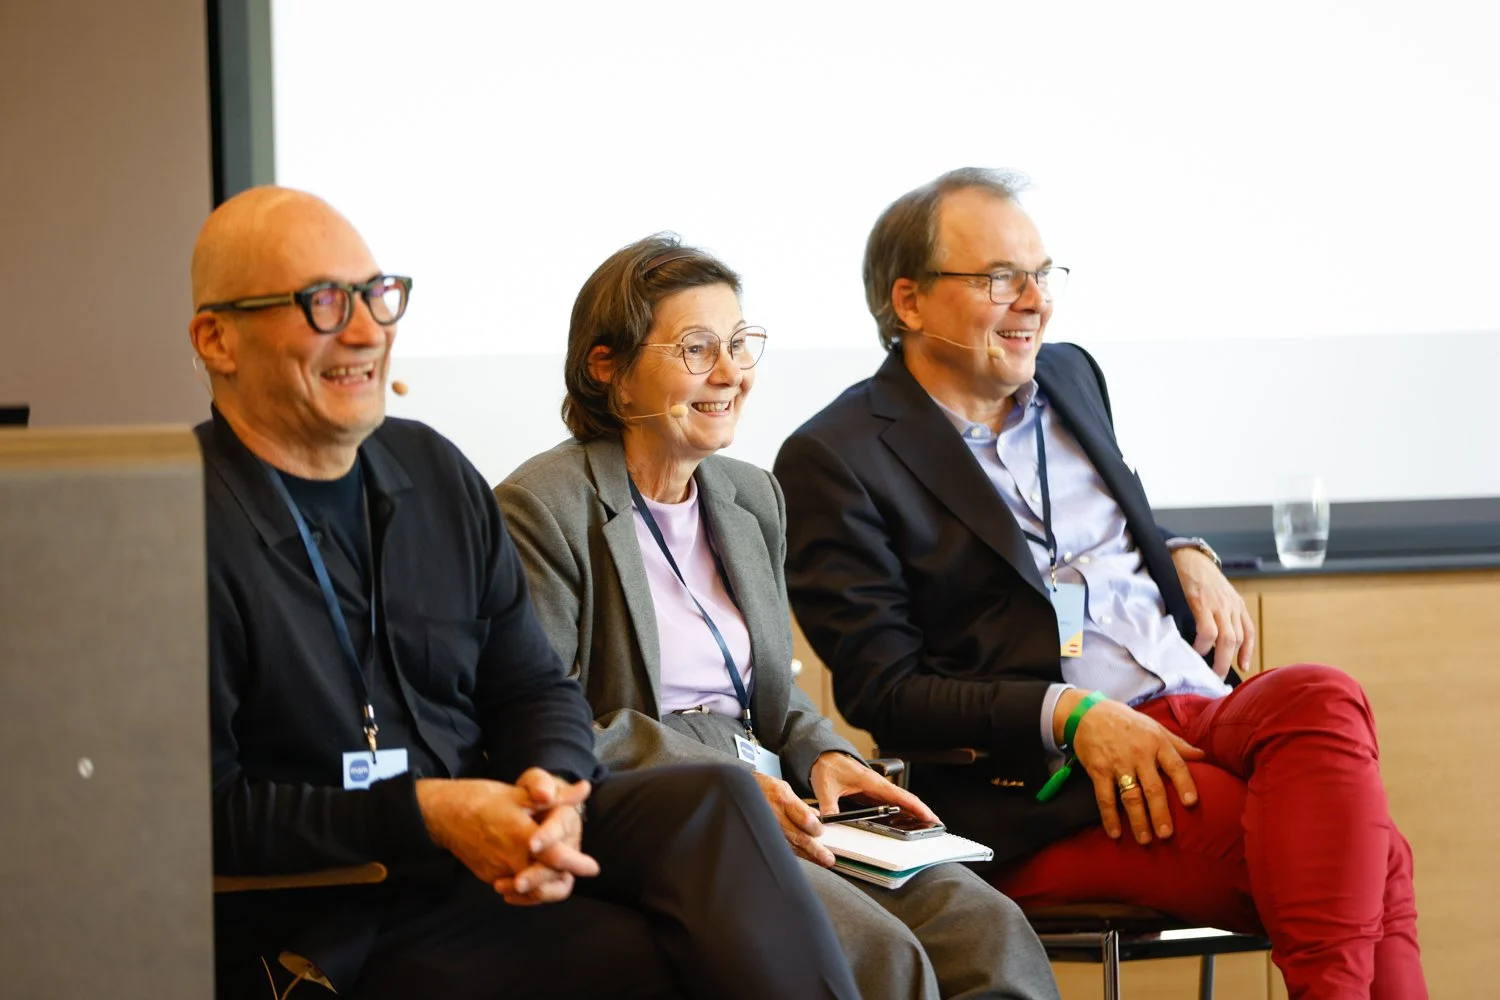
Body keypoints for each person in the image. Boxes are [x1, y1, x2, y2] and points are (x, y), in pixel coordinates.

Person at [190, 187, 863, 1000]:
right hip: (337, 913)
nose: (368, 330)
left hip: (489, 854)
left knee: (714, 798)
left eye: (376, 295)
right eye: (323, 304)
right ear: (216, 338)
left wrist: (557, 787)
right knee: (670, 964)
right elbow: (205, 813)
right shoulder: (175, 518)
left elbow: (532, 686)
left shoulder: (431, 471)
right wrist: (429, 813)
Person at [773, 168, 1426, 1000]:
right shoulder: (837, 457)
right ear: (909, 302)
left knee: (1324, 694)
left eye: (1043, 275)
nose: (1035, 301)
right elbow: (886, 692)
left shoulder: (1072, 376)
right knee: (1379, 858)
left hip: (1193, 700)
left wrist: (1185, 548)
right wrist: (1068, 714)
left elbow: (1101, 542)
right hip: (1048, 784)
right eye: (999, 278)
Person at [495, 234, 1060, 1000]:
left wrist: (826, 753)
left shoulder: (751, 497)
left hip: (780, 792)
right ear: (610, 368)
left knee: (986, 929)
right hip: (664, 807)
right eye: (697, 349)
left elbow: (773, 697)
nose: (731, 375)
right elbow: (542, 722)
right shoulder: (543, 506)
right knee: (884, 955)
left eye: (738, 344)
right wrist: (713, 772)